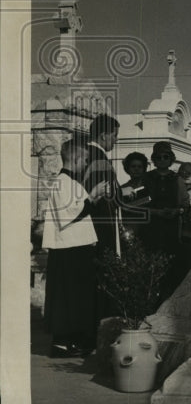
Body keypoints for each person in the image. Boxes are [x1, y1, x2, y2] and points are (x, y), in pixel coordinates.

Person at [42, 137, 109, 358]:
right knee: (68, 297)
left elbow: (79, 209)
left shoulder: (72, 183)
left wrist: (93, 197)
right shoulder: (63, 182)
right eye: (86, 160)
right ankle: (63, 343)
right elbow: (70, 213)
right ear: (78, 158)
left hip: (77, 246)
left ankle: (73, 341)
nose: (87, 165)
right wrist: (93, 195)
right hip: (69, 248)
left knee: (76, 296)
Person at [141, 142, 190, 298]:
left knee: (171, 264)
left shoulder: (178, 180)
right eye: (159, 157)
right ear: (154, 160)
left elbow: (186, 205)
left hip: (171, 227)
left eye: (166, 157)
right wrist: (156, 212)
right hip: (151, 227)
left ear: (171, 159)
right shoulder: (146, 178)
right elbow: (139, 204)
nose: (162, 160)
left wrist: (176, 211)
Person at [83, 113, 122, 259]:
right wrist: (122, 193)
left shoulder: (84, 154)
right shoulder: (98, 158)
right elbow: (104, 194)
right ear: (104, 135)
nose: (116, 140)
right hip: (100, 223)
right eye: (114, 135)